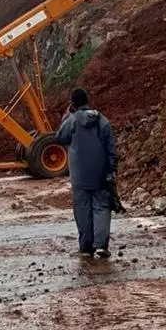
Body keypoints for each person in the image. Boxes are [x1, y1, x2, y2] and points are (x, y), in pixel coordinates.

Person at [56, 88, 116, 259]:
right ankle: (101, 245)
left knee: (82, 209)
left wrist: (66, 116)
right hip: (100, 172)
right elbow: (111, 147)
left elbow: (60, 137)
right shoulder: (102, 120)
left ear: (73, 103)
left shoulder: (72, 121)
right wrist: (111, 169)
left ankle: (86, 247)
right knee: (102, 207)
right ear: (88, 100)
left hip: (79, 175)